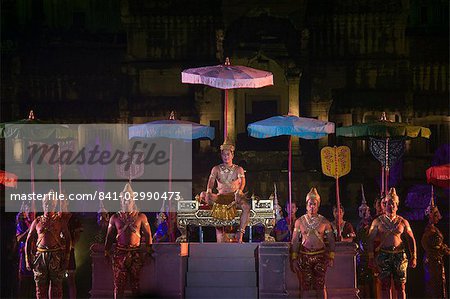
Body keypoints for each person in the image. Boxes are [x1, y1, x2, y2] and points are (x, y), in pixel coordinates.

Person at [104, 183, 152, 299]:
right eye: (124, 199)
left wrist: (149, 251)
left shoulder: (141, 217)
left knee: (135, 285)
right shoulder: (114, 218)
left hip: (135, 253)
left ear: (133, 200)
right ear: (121, 200)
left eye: (129, 199)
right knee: (118, 286)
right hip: (120, 254)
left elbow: (148, 235)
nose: (126, 202)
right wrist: (106, 251)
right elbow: (109, 237)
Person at [367, 187, 417, 299]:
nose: (391, 206)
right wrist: (370, 257)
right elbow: (370, 239)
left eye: (394, 204)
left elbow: (411, 239)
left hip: (399, 255)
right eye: (389, 203)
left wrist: (414, 256)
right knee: (385, 285)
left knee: (401, 285)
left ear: (397, 206)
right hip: (383, 255)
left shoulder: (403, 221)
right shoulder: (377, 221)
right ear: (384, 205)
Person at [199, 141, 250, 243]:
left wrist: (239, 191)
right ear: (221, 155)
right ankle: (221, 219)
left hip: (234, 197)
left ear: (232, 155)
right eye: (223, 154)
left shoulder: (238, 169)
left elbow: (242, 182)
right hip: (220, 197)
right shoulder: (216, 169)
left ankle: (240, 234)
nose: (226, 157)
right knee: (203, 195)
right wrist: (208, 191)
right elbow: (211, 181)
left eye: (228, 154)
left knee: (246, 206)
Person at [290, 187, 336, 298]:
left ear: (318, 206)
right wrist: (294, 258)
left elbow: (331, 240)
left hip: (320, 256)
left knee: (320, 285)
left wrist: (331, 256)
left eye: (314, 204)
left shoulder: (324, 222)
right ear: (306, 205)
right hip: (304, 256)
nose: (312, 206)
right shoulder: (299, 221)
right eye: (310, 204)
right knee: (304, 285)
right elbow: (295, 241)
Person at [25, 190, 71, 299]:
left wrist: (66, 258)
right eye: (46, 203)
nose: (48, 206)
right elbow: (28, 240)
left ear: (54, 205)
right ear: (42, 204)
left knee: (56, 288)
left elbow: (68, 239)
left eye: (50, 204)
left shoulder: (60, 221)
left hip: (56, 256)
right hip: (40, 257)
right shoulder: (37, 221)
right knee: (40, 289)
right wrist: (27, 259)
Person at [421, 197, 450, 298]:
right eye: (436, 216)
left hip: (436, 259)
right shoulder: (429, 231)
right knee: (433, 284)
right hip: (432, 260)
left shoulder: (434, 229)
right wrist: (443, 250)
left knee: (439, 283)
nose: (438, 218)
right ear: (431, 216)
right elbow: (426, 244)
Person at [59, 198, 83, 299]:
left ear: (67, 202)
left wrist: (72, 244)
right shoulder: (56, 217)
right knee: (56, 280)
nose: (61, 203)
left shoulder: (73, 218)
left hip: (69, 250)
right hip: (57, 251)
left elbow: (77, 234)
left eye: (63, 200)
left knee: (71, 279)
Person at [355, 194, 375, 298]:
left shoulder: (373, 223)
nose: (363, 213)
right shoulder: (359, 224)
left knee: (371, 281)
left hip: (370, 255)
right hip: (361, 256)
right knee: (361, 281)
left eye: (365, 211)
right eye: (361, 211)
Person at [16, 202, 35, 298]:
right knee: (24, 281)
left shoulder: (36, 223)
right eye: (29, 210)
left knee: (34, 281)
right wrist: (28, 231)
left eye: (32, 211)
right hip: (24, 255)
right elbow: (19, 238)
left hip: (34, 255)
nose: (30, 213)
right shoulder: (22, 223)